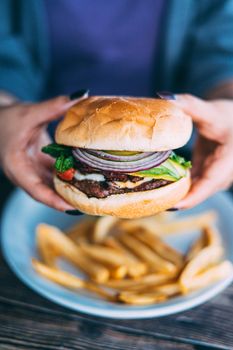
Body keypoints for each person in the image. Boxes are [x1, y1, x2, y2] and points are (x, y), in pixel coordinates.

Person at [0, 0, 233, 212]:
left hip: (193, 149)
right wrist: (4, 111)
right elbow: (6, 57)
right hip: (32, 150)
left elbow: (221, 50)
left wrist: (228, 104)